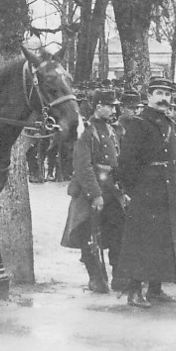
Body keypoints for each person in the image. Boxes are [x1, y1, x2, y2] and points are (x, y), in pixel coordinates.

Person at [112, 77, 176, 307]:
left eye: (167, 94)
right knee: (142, 242)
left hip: (169, 189)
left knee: (164, 240)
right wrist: (134, 190)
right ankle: (133, 292)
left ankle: (155, 289)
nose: (164, 98)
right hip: (146, 191)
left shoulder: (169, 124)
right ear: (149, 96)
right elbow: (126, 162)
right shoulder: (139, 124)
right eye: (159, 93)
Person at [61, 87, 123, 294]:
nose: (114, 111)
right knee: (88, 236)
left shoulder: (112, 130)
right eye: (110, 107)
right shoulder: (85, 131)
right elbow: (82, 166)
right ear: (99, 107)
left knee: (116, 231)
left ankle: (119, 275)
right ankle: (95, 277)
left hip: (111, 190)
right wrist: (95, 194)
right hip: (90, 192)